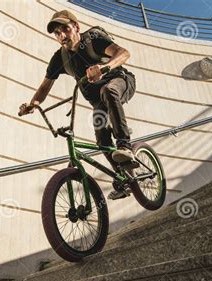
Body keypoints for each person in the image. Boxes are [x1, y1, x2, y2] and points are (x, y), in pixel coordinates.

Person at [19, 10, 138, 199]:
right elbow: (45, 86)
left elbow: (123, 53)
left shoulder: (93, 40)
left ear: (76, 27)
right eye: (57, 33)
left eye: (65, 29)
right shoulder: (60, 58)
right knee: (102, 139)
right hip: (99, 102)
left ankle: (124, 144)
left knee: (108, 91)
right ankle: (125, 178)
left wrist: (104, 67)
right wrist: (33, 104)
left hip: (121, 81)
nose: (62, 36)